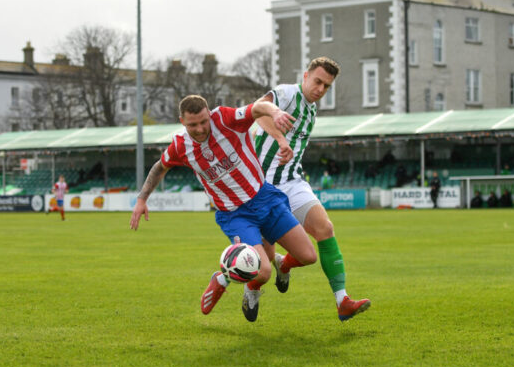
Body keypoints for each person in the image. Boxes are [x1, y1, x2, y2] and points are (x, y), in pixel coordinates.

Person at [129, 95, 317, 322]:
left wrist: (275, 112)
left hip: (265, 198)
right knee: (263, 272)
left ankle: (282, 264)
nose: (200, 129)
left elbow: (258, 107)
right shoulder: (180, 146)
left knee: (308, 256)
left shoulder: (225, 119)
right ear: (182, 121)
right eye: (192, 125)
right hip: (235, 214)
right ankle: (232, 282)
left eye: (203, 121)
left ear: (209, 114)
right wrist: (142, 199)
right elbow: (160, 167)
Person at [254, 56, 371, 321]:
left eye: (326, 86)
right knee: (262, 261)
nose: (320, 89)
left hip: (292, 181)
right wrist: (280, 139)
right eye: (317, 81)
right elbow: (258, 111)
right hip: (262, 186)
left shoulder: (312, 110)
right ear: (305, 76)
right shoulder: (287, 93)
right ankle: (251, 285)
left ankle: (342, 301)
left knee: (325, 228)